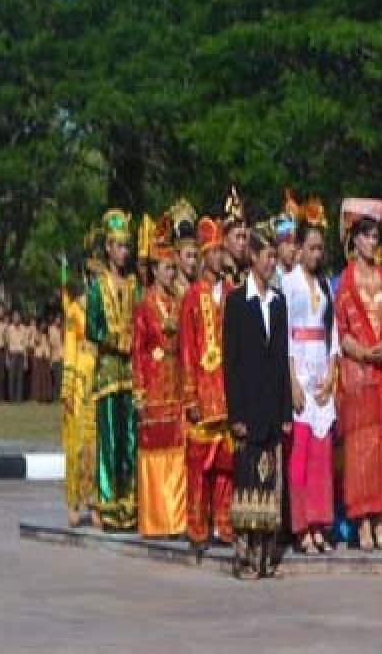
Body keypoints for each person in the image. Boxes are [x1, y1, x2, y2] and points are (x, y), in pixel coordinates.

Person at [224, 229, 293, 578]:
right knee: (247, 483)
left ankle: (266, 558)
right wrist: (235, 413)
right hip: (247, 411)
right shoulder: (237, 303)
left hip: (271, 410)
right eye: (267, 255)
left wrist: (285, 412)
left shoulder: (278, 303)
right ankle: (243, 557)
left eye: (273, 255)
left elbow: (281, 359)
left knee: (269, 486)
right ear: (253, 258)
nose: (271, 261)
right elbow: (231, 363)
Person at [334, 199, 382, 551]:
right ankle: (361, 520)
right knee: (361, 447)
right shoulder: (345, 281)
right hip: (358, 372)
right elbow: (341, 331)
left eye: (376, 236)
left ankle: (380, 518)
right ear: (355, 240)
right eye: (368, 236)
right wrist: (363, 352)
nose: (373, 242)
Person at [283, 198, 338, 554]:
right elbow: (286, 333)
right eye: (312, 247)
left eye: (320, 249)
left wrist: (332, 374)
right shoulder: (288, 284)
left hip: (321, 368)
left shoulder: (325, 287)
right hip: (299, 368)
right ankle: (300, 526)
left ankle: (320, 524)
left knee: (322, 455)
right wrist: (291, 383)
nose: (317, 254)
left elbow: (332, 333)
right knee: (299, 455)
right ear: (299, 248)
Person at [180, 215, 235, 555]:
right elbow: (186, 348)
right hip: (203, 390)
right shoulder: (192, 297)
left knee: (225, 464)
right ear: (203, 256)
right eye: (212, 251)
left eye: (220, 250)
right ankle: (198, 525)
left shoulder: (231, 293)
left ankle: (224, 522)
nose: (218, 257)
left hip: (227, 393)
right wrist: (190, 395)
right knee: (199, 464)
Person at [131, 216, 188, 538]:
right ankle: (155, 519)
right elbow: (138, 350)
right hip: (153, 385)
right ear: (154, 270)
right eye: (165, 268)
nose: (171, 273)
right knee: (154, 451)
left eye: (172, 268)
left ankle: (176, 518)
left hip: (176, 381)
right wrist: (138, 391)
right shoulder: (144, 306)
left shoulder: (179, 302)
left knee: (176, 451)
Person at [86, 209, 141, 532]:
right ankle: (108, 504)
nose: (124, 251)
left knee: (130, 438)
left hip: (130, 371)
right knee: (109, 439)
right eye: (118, 245)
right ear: (107, 248)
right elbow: (92, 327)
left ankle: (130, 504)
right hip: (108, 369)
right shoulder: (97, 285)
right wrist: (114, 339)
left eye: (126, 246)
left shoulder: (133, 285)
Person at [60, 267, 98, 527]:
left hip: (102, 375)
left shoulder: (107, 308)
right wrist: (68, 385)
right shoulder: (75, 310)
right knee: (77, 443)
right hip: (81, 377)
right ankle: (74, 501)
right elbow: (71, 348)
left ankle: (97, 501)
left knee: (98, 444)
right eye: (92, 277)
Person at [169, 198, 199, 297]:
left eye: (195, 256)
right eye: (188, 256)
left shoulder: (199, 288)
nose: (193, 262)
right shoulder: (170, 290)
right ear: (177, 256)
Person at [221, 186, 249, 290]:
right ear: (224, 240)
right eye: (238, 237)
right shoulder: (218, 277)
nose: (242, 243)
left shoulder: (247, 275)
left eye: (244, 237)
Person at [273, 189, 300, 291]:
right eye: (288, 243)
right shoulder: (269, 279)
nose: (293, 249)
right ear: (277, 244)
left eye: (294, 243)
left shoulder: (301, 276)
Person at [29, 317, 53, 402]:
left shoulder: (47, 335)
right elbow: (35, 343)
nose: (43, 325)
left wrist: (49, 357)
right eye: (42, 324)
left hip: (46, 357)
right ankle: (38, 397)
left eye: (45, 324)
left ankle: (46, 397)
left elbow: (50, 346)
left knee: (46, 377)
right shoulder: (36, 333)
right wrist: (39, 333)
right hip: (38, 357)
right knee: (38, 378)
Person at [48, 315, 64, 400]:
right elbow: (51, 343)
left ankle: (61, 397)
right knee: (57, 378)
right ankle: (56, 397)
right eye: (57, 319)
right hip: (55, 357)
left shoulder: (63, 329)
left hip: (63, 356)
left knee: (62, 378)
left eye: (59, 319)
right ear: (55, 320)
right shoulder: (51, 329)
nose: (58, 320)